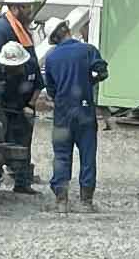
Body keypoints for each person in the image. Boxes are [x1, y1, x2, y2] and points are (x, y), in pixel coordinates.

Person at [42, 16, 109, 211]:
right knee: (87, 155)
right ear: (67, 29)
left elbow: (51, 90)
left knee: (62, 155)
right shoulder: (87, 50)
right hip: (85, 111)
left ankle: (61, 201)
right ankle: (86, 201)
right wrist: (89, 81)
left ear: (54, 38)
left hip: (62, 113)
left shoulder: (51, 58)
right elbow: (103, 72)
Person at [0, 39, 42, 197]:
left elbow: (39, 86)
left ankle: (22, 183)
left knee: (24, 146)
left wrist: (31, 105)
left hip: (22, 111)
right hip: (0, 112)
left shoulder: (31, 66)